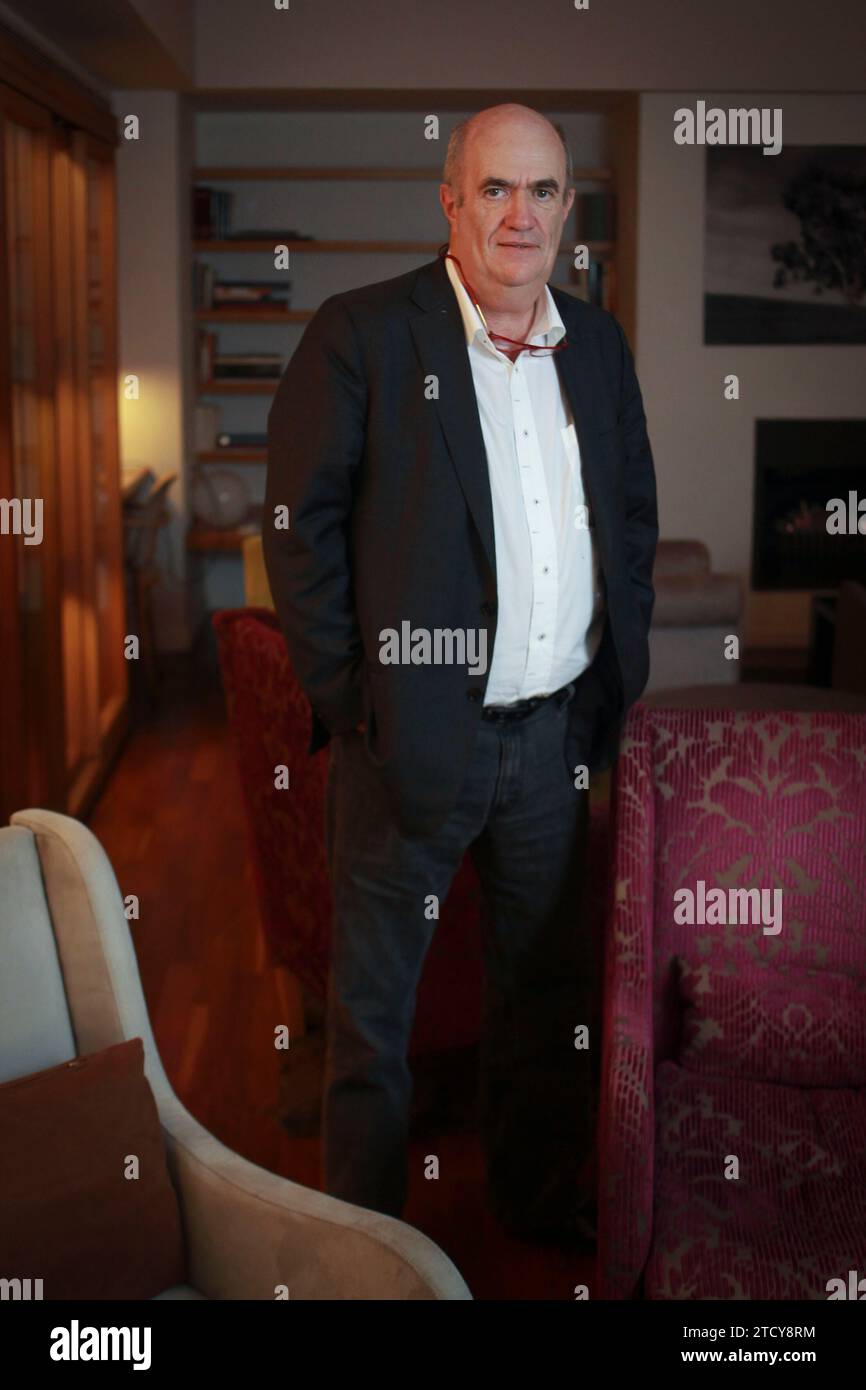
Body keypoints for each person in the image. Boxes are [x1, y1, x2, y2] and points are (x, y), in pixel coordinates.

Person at [263, 102, 658, 1242]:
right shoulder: (363, 335)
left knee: (539, 1001)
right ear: (449, 201)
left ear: (567, 210)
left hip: (549, 747)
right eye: (494, 188)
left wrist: (603, 679)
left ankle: (536, 1205)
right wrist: (352, 702)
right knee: (371, 1024)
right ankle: (364, 1247)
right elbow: (301, 528)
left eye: (541, 191)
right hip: (407, 747)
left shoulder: (599, 341)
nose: (518, 214)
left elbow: (626, 516)